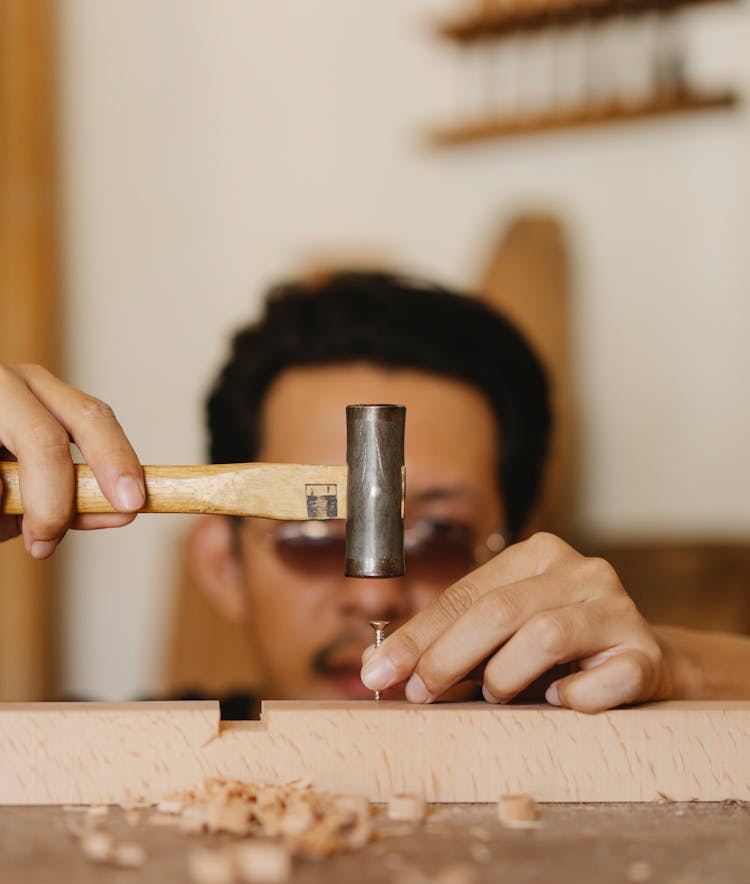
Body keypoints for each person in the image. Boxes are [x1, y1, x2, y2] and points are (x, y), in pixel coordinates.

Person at [2, 271, 749, 712]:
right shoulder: (126, 762)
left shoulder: (589, 739)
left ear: (521, 548)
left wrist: (676, 670)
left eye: (438, 534)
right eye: (307, 539)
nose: (374, 597)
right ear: (223, 568)